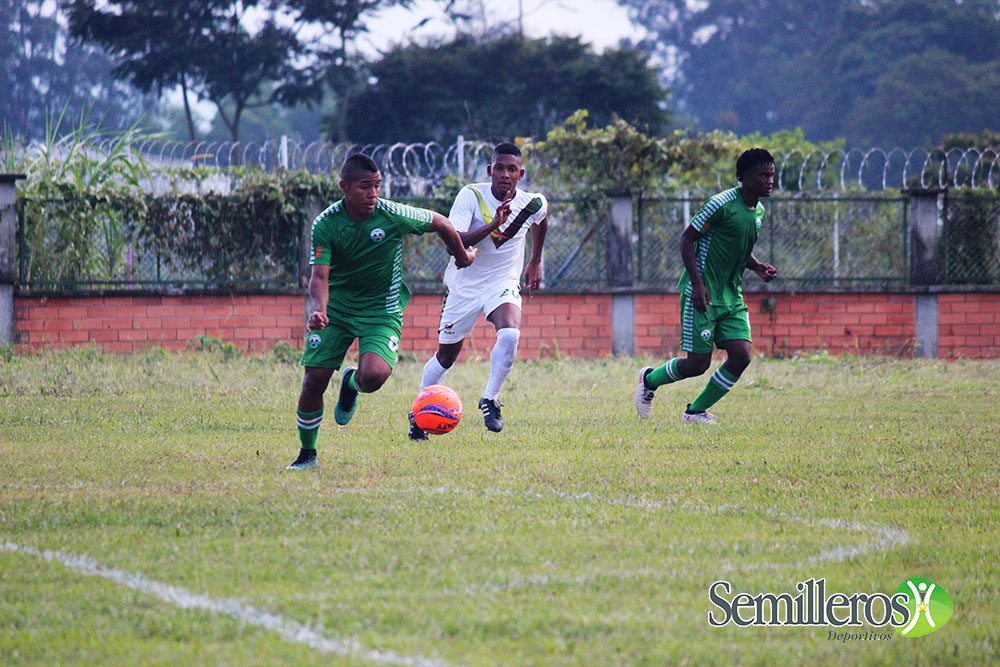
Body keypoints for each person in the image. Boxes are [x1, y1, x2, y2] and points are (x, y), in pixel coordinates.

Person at [287, 153, 486, 470]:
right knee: (314, 380)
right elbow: (319, 277)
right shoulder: (326, 223)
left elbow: (441, 223)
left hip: (381, 310)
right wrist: (319, 310)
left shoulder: (392, 214)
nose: (373, 194)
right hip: (336, 310)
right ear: (344, 187)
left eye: (377, 186)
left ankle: (351, 384)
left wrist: (462, 257)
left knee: (374, 376)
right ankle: (307, 455)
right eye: (365, 186)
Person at [408, 142, 548, 439]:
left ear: (521, 174)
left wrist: (535, 261)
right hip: (464, 287)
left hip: (502, 283)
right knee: (446, 357)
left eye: (512, 169)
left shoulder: (532, 202)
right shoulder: (470, 195)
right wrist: (494, 223)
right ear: (489, 170)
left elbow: (541, 219)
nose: (505, 174)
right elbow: (455, 240)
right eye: (500, 168)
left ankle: (490, 398)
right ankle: (418, 414)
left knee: (510, 333)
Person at [634, 148, 778, 424]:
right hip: (703, 294)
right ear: (743, 176)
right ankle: (649, 380)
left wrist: (757, 266)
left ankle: (695, 412)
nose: (769, 181)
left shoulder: (758, 211)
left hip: (731, 297)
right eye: (763, 175)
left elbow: (736, 246)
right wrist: (697, 284)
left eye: (771, 175)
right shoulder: (720, 204)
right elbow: (686, 240)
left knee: (741, 357)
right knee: (697, 365)